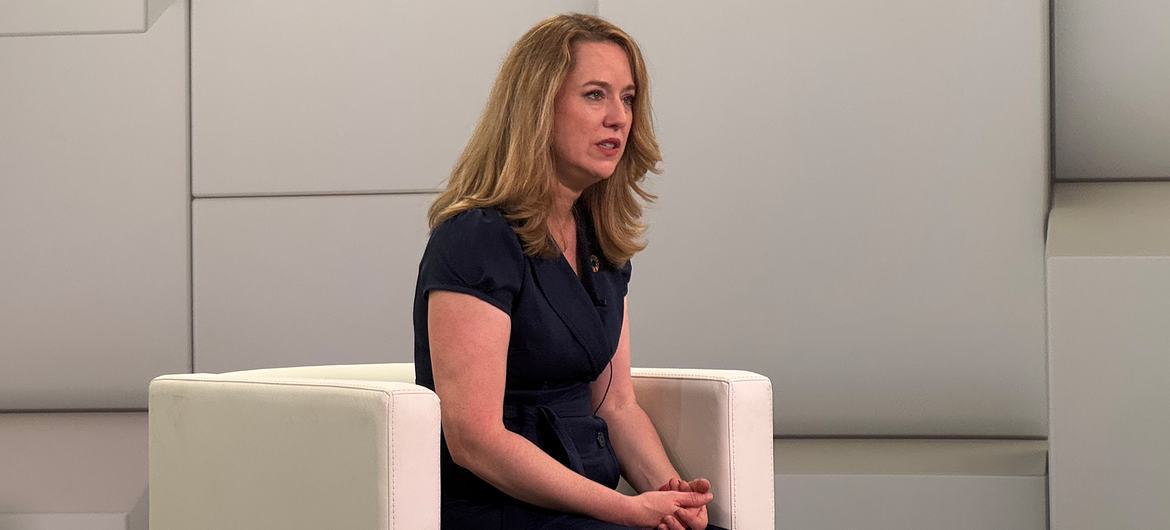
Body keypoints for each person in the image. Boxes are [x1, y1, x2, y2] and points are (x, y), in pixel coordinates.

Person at [413, 13, 725, 530]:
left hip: (584, 503)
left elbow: (617, 405)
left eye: (627, 98)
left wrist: (670, 495)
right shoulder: (475, 239)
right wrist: (626, 509)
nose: (619, 118)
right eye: (595, 95)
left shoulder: (602, 238)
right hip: (498, 509)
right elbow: (475, 440)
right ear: (538, 108)